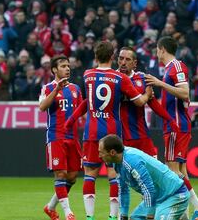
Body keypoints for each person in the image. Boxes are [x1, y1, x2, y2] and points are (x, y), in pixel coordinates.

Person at [65, 41, 153, 220]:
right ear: (113, 57)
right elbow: (139, 102)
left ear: (96, 57)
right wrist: (147, 93)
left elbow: (86, 102)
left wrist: (71, 120)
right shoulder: (121, 78)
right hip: (113, 133)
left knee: (90, 174)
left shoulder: (87, 75)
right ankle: (113, 217)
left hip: (91, 131)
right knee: (114, 175)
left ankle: (90, 217)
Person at [145, 36, 198, 220]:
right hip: (174, 124)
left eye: (157, 50)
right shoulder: (169, 69)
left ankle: (196, 212)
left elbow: (184, 92)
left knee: (172, 172)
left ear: (162, 49)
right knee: (180, 172)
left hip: (176, 125)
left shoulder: (177, 66)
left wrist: (159, 83)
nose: (157, 53)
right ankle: (193, 214)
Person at [98, 134, 190, 220]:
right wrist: (123, 216)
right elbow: (123, 190)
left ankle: (177, 213)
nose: (99, 156)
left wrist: (150, 216)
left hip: (175, 195)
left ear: (112, 152)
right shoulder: (116, 163)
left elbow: (149, 189)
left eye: (101, 152)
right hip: (158, 198)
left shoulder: (132, 161)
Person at [39, 55, 83, 220]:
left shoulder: (76, 89)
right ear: (54, 70)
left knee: (72, 177)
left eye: (68, 66)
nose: (67, 68)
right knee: (60, 175)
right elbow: (42, 107)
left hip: (73, 137)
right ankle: (68, 213)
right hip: (56, 136)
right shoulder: (48, 88)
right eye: (63, 66)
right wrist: (56, 90)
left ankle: (50, 207)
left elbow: (81, 110)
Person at [117, 46, 179, 157]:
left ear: (135, 63)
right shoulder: (112, 79)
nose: (123, 62)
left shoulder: (142, 78)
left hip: (142, 136)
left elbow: (153, 104)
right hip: (119, 137)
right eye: (121, 58)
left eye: (127, 59)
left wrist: (170, 120)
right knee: (123, 173)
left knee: (153, 170)